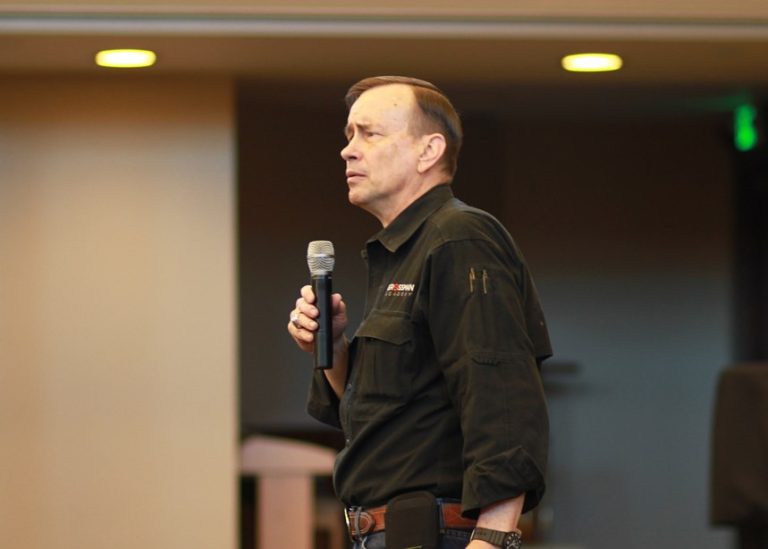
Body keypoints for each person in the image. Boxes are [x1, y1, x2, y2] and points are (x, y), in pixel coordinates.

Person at [287, 76, 551, 549]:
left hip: (439, 531)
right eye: (349, 135)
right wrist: (334, 346)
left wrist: (493, 537)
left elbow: (501, 393)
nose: (348, 150)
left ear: (429, 151)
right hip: (383, 532)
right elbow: (385, 415)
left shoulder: (458, 237)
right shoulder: (400, 253)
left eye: (370, 134)